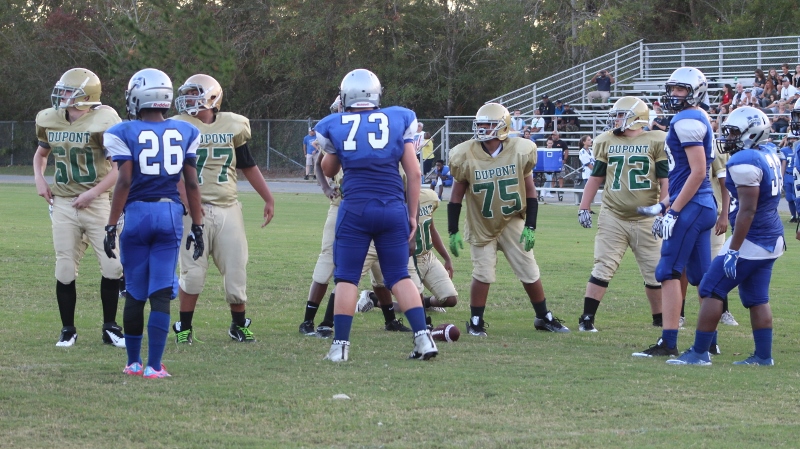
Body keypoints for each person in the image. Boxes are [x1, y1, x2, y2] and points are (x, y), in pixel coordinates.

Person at [315, 68, 437, 362]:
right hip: (392, 207)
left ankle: (340, 347)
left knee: (347, 278)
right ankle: (423, 339)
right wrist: (411, 215)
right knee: (399, 276)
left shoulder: (336, 123)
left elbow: (328, 169)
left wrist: (339, 146)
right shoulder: (398, 119)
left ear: (346, 96)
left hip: (356, 208)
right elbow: (414, 172)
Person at [103, 68, 204, 378]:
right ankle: (154, 366)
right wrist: (198, 224)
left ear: (137, 97)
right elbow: (192, 183)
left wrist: (111, 224)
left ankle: (133, 363)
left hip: (136, 213)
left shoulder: (122, 131)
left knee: (135, 290)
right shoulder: (186, 130)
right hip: (169, 213)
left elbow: (123, 181)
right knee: (160, 291)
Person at [667, 107, 784, 366]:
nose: (728, 138)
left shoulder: (745, 160)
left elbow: (748, 210)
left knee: (710, 288)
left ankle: (699, 353)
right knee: (757, 297)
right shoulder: (768, 153)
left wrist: (733, 249)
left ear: (751, 133)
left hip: (753, 238)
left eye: (734, 133)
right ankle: (763, 357)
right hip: (772, 236)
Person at [169, 74, 275, 344]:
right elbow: (171, 170)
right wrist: (186, 200)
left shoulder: (232, 125)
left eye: (194, 93)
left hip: (228, 208)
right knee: (193, 273)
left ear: (212, 97)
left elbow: (248, 165)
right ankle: (184, 327)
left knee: (236, 271)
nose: (188, 99)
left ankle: (238, 325)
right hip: (194, 210)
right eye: (187, 94)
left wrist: (268, 198)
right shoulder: (178, 126)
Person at [447, 102, 569, 336]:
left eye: (488, 124)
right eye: (480, 124)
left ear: (503, 127)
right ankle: (475, 321)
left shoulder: (520, 150)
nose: (482, 128)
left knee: (529, 269)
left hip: (512, 219)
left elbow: (531, 192)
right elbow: (455, 197)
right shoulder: (465, 153)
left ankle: (543, 316)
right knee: (483, 273)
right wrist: (453, 230)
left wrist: (531, 225)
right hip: (481, 222)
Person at [33, 68, 126, 348]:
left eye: (68, 91)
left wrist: (93, 192)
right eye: (61, 90)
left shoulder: (105, 121)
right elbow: (41, 154)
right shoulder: (50, 119)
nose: (61, 96)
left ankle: (110, 327)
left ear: (87, 96)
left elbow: (119, 169)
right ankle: (68, 330)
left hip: (98, 203)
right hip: (63, 203)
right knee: (64, 269)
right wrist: (39, 178)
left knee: (112, 266)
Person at [633, 67, 717, 358]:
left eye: (680, 89)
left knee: (668, 271)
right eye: (672, 89)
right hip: (701, 204)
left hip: (692, 206)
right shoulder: (698, 116)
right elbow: (688, 176)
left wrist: (674, 211)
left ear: (695, 92)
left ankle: (668, 341)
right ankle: (710, 341)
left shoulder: (686, 120)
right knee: (702, 277)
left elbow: (698, 172)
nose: (674, 94)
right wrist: (664, 204)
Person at [576, 97, 669, 331]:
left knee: (655, 271)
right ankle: (587, 318)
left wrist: (663, 211)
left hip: (647, 217)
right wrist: (584, 206)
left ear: (636, 117)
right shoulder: (606, 140)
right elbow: (596, 177)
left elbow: (665, 181)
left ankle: (660, 319)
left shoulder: (657, 139)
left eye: (620, 115)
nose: (616, 120)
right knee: (603, 266)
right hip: (613, 215)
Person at [779, 134, 797, 222]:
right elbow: (783, 165)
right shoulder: (784, 150)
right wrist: (781, 178)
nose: (793, 140)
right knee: (789, 198)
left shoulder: (798, 149)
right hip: (788, 175)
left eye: (795, 138)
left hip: (797, 176)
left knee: (797, 198)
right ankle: (793, 216)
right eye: (791, 138)